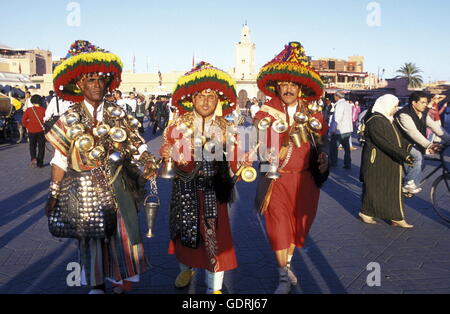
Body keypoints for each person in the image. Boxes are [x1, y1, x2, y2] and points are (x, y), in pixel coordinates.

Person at [44, 40, 159, 294]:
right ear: (79, 84)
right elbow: (60, 159)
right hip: (83, 190)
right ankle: (97, 286)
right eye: (90, 80)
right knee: (91, 239)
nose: (97, 85)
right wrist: (53, 193)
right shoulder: (67, 120)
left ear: (108, 83)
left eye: (101, 80)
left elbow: (137, 144)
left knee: (124, 235)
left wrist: (148, 161)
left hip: (118, 185)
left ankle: (122, 282)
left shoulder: (119, 113)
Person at [160, 61, 249, 294]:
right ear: (192, 99)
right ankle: (186, 269)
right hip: (184, 191)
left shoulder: (227, 129)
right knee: (183, 234)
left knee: (215, 241)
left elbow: (233, 165)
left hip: (213, 193)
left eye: (211, 97)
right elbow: (169, 157)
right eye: (201, 96)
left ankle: (214, 289)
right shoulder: (178, 125)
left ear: (218, 100)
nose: (206, 101)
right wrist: (167, 153)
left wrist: (241, 164)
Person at [254, 42, 329, 294]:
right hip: (276, 180)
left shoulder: (314, 114)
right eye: (283, 85)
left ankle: (287, 265)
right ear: (277, 87)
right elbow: (263, 145)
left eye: (292, 85)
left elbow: (321, 141)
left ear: (300, 87)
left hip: (306, 181)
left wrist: (324, 157)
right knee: (278, 227)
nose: (288, 89)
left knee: (299, 226)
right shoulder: (265, 113)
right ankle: (282, 276)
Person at [359, 94, 415, 228]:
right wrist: (403, 155)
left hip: (388, 159)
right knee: (375, 188)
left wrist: (409, 147)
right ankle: (371, 213)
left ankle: (392, 216)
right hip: (377, 161)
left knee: (390, 188)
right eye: (394, 106)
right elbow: (383, 142)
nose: (396, 109)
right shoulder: (375, 120)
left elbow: (398, 138)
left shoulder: (388, 119)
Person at [395, 91, 450, 194]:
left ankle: (409, 183)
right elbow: (413, 132)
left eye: (426, 102)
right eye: (423, 102)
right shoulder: (404, 114)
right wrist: (430, 145)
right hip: (402, 142)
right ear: (414, 103)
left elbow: (435, 127)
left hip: (414, 143)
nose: (426, 105)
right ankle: (409, 185)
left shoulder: (423, 114)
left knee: (421, 163)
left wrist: (448, 139)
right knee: (418, 157)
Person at [329, 91, 353, 169]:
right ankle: (347, 163)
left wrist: (333, 130)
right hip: (348, 129)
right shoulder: (347, 104)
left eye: (334, 96)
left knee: (333, 147)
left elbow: (337, 119)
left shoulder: (339, 105)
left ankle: (333, 163)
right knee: (347, 148)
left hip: (340, 130)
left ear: (337, 96)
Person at [22, 95, 46, 168]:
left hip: (31, 130)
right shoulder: (44, 110)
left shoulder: (29, 110)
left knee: (32, 146)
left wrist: (28, 126)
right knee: (41, 147)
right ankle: (40, 163)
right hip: (41, 131)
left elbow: (23, 121)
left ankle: (33, 158)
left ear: (32, 101)